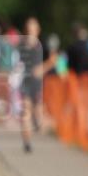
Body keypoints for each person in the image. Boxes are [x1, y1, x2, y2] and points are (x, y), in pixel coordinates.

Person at [16, 18, 55, 153]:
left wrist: (42, 69)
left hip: (38, 84)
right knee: (25, 112)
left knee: (38, 115)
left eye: (33, 29)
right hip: (25, 82)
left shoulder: (42, 44)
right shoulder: (21, 44)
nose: (30, 31)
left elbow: (53, 60)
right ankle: (27, 142)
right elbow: (16, 62)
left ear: (38, 30)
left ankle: (42, 125)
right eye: (28, 29)